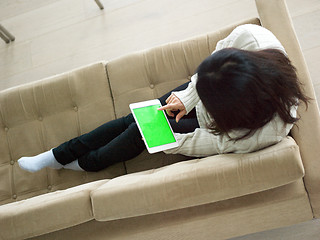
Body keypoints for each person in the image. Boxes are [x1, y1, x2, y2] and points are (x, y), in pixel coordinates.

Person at [18, 24, 309, 173]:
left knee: (138, 133)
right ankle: (59, 154)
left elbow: (219, 143)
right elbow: (213, 64)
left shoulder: (266, 131)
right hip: (215, 92)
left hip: (212, 130)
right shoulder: (252, 38)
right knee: (135, 118)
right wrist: (189, 96)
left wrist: (167, 141)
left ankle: (87, 164)